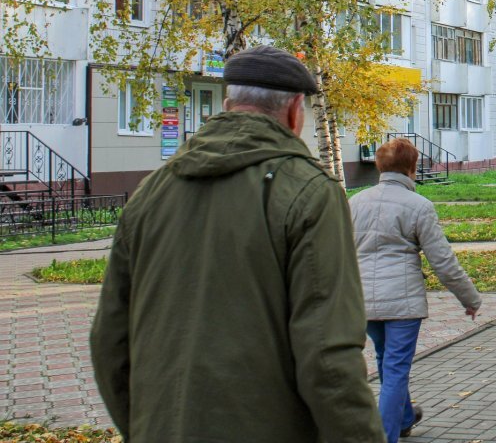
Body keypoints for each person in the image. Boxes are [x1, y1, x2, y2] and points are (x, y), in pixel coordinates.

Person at [90, 46, 384, 443]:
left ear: (227, 105)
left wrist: (144, 426)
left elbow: (109, 341)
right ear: (296, 111)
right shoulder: (309, 192)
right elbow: (327, 356)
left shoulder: (150, 193)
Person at [350, 137, 482, 441]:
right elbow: (442, 260)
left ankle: (405, 416)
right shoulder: (418, 205)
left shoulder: (355, 202)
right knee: (395, 368)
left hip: (363, 302)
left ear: (380, 166)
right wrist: (470, 298)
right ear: (412, 168)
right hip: (402, 304)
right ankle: (385, 435)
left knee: (386, 360)